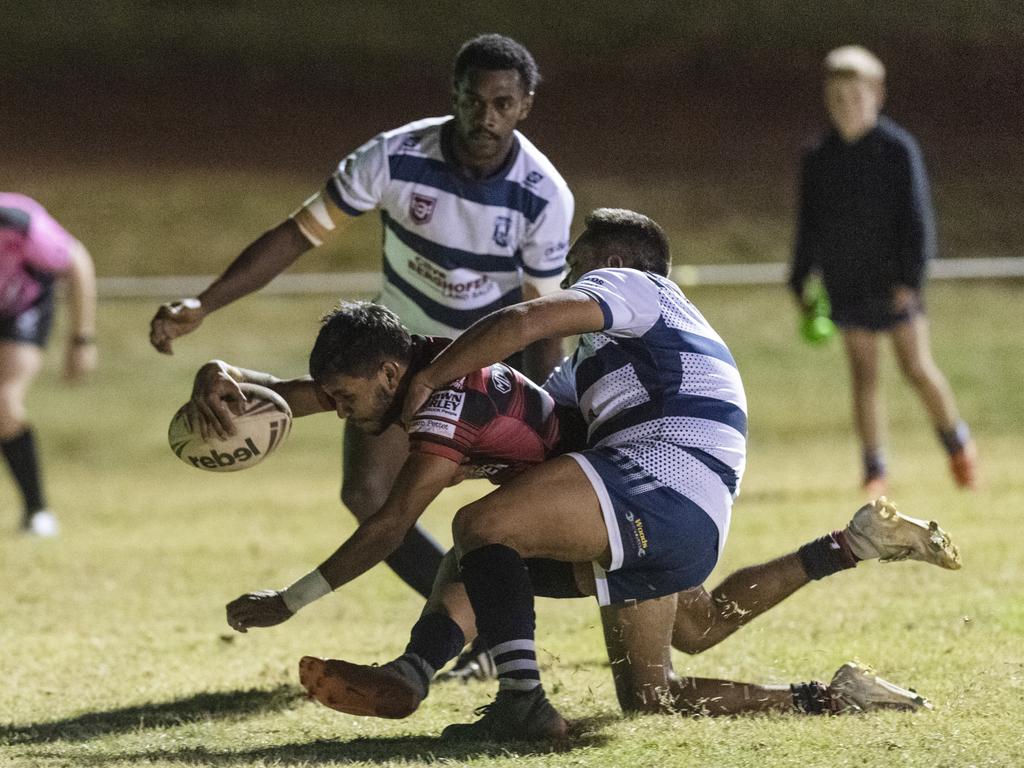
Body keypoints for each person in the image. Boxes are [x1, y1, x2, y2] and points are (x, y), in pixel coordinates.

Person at [297, 209, 959, 741]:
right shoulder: (586, 365)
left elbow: (525, 321)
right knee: (667, 672)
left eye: (577, 261)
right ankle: (835, 667)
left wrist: (433, 376)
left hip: (659, 476)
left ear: (612, 264)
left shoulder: (638, 288)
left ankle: (515, 699)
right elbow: (522, 439)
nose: (568, 273)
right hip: (679, 507)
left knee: (483, 527)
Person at [150, 33, 573, 675]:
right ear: (454, 97)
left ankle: (482, 633)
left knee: (462, 517)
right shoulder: (396, 154)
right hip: (394, 356)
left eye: (502, 103)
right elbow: (297, 235)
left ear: (525, 106)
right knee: (369, 494)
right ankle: (477, 630)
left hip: (483, 374)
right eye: (474, 99)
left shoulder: (543, 194)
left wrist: (547, 417)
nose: (486, 117)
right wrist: (205, 310)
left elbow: (544, 323)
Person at [788, 45, 977, 496]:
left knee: (916, 368)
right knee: (864, 374)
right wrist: (800, 278)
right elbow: (808, 224)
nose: (845, 107)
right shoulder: (819, 157)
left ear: (877, 94)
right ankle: (875, 469)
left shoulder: (897, 150)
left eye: (855, 96)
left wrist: (910, 280)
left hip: (893, 285)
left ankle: (958, 445)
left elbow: (918, 220)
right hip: (845, 281)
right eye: (836, 98)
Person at [1, 193, 97, 536]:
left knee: (4, 403)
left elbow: (77, 262)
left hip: (22, 307)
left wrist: (81, 340)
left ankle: (37, 511)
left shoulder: (16, 221)